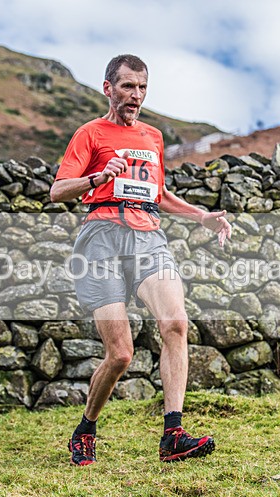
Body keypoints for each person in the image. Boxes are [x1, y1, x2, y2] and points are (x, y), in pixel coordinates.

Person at [50, 54, 232, 465]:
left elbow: (160, 195)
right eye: (128, 86)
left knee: (175, 322)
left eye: (143, 87)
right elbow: (58, 190)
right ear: (108, 88)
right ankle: (86, 429)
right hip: (101, 237)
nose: (136, 95)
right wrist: (98, 177)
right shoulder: (90, 134)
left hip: (148, 235)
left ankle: (173, 434)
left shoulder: (152, 136)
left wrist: (201, 216)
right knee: (121, 354)